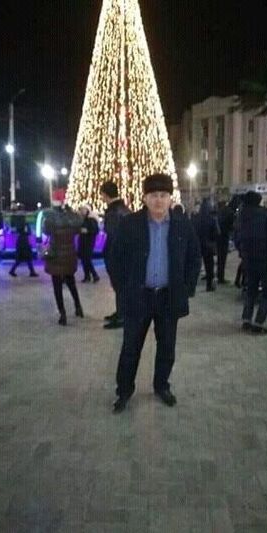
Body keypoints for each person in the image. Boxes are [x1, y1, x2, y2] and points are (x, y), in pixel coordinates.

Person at [110, 173, 201, 413]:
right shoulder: (130, 224)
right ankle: (124, 391)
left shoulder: (182, 224)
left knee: (167, 347)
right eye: (153, 195)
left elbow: (194, 257)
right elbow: (114, 258)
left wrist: (186, 288)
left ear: (170, 198)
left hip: (168, 297)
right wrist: (122, 289)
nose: (158, 200)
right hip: (139, 296)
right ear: (145, 198)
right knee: (131, 347)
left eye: (163, 195)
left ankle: (162, 386)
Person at [234, 191, 267, 334]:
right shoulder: (266, 215)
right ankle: (259, 322)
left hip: (248, 259)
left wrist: (243, 252)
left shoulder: (241, 217)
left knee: (251, 290)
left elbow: (236, 238)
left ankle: (246, 319)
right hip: (266, 259)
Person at [43, 203, 83, 326]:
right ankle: (78, 306)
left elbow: (46, 231)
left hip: (55, 255)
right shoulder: (72, 220)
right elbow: (79, 227)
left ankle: (62, 313)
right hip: (69, 254)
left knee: (57, 286)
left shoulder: (51, 220)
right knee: (71, 282)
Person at [100, 181, 131, 329]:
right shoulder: (124, 209)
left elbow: (113, 235)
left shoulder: (114, 212)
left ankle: (122, 316)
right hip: (125, 255)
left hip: (117, 255)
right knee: (121, 286)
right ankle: (121, 312)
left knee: (120, 286)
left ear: (105, 195)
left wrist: (111, 256)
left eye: (102, 195)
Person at [191, 198, 218, 291]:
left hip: (198, 245)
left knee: (196, 266)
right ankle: (209, 285)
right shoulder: (212, 219)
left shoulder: (195, 218)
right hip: (208, 245)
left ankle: (192, 285)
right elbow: (217, 232)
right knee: (209, 266)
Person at [77, 204, 100, 283]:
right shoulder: (83, 219)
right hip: (83, 242)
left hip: (88, 242)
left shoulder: (91, 219)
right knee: (84, 260)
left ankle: (94, 275)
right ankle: (87, 276)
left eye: (83, 209)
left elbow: (95, 230)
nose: (81, 211)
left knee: (87, 259)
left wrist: (87, 231)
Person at [216, 200, 234, 284]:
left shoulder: (218, 213)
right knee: (222, 258)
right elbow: (231, 225)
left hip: (218, 237)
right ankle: (221, 277)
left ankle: (219, 275)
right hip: (224, 236)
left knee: (220, 258)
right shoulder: (229, 212)